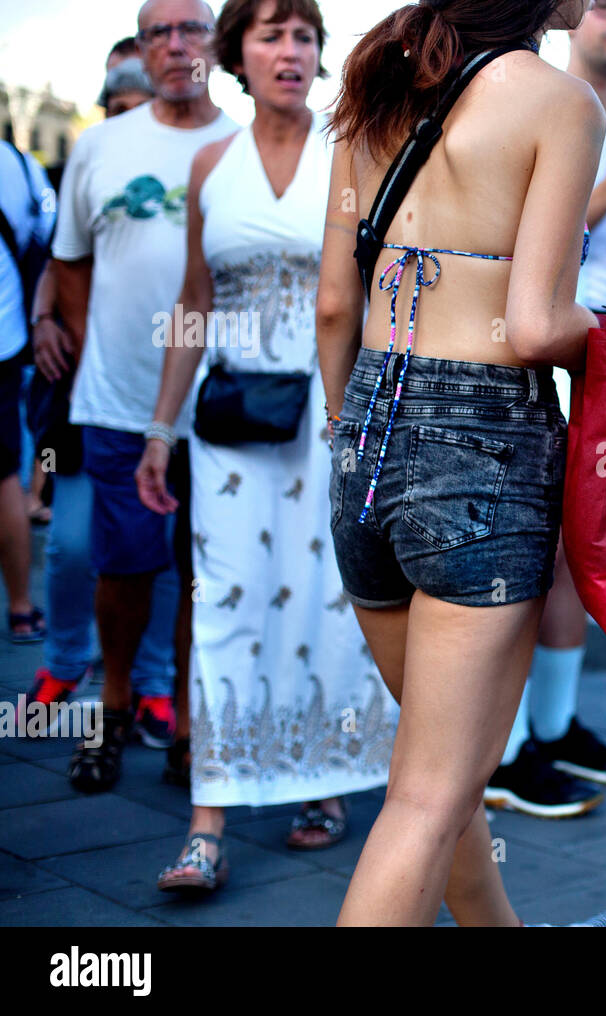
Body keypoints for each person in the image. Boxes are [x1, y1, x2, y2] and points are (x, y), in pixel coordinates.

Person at [317, 0, 606, 926]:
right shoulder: (560, 100)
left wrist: (355, 434)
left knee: (436, 778)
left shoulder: (381, 69)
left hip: (366, 437)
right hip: (482, 449)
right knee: (428, 799)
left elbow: (336, 304)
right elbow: (539, 325)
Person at [133, 0, 400, 894]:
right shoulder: (212, 164)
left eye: (303, 36)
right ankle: (207, 823)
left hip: (333, 413)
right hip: (234, 424)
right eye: (269, 35)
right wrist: (158, 428)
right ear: (236, 55)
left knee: (333, 603)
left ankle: (323, 782)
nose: (289, 51)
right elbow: (194, 300)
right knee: (224, 604)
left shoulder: (354, 148)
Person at [50, 0, 238, 792]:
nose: (175, 44)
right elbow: (69, 261)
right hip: (122, 399)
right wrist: (101, 347)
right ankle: (115, 704)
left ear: (216, 44)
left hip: (228, 405)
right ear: (142, 47)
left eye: (190, 28)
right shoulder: (99, 147)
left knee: (206, 567)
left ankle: (190, 722)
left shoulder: (245, 146)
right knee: (121, 566)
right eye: (158, 31)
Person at [484, 0, 606, 819]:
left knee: (585, 542)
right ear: (566, 19)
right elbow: (526, 245)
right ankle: (503, 747)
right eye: (602, 5)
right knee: (530, 548)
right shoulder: (541, 98)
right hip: (557, 346)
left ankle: (552, 730)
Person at [25, 36, 177, 742]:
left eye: (135, 105)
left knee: (162, 549)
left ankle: (151, 686)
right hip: (92, 393)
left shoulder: (190, 165)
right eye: (114, 106)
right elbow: (67, 253)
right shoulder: (95, 161)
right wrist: (43, 315)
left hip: (170, 395)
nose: (125, 118)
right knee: (74, 544)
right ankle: (65, 661)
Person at [0, 136, 55, 645]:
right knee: (4, 476)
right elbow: (42, 234)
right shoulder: (17, 164)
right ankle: (20, 607)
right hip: (7, 339)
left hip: (10, 340)